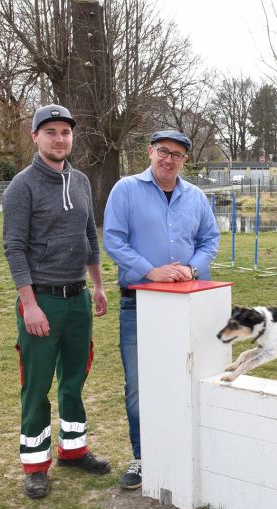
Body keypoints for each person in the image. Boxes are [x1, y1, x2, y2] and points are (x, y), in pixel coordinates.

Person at [2, 104, 111, 499]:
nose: (59, 138)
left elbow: (90, 238)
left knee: (74, 379)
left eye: (65, 131)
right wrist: (29, 304)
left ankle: (74, 449)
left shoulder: (81, 181)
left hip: (77, 297)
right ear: (35, 137)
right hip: (42, 301)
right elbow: (14, 248)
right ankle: (35, 464)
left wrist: (97, 286)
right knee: (36, 385)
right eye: (50, 131)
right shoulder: (22, 186)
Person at [103, 130, 220, 490]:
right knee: (139, 385)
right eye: (163, 151)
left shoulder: (196, 197)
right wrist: (149, 271)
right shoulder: (125, 190)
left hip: (187, 305)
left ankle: (189, 453)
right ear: (151, 151)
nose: (169, 159)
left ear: (185, 160)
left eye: (178, 155)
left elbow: (209, 239)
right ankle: (143, 458)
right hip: (138, 304)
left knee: (188, 376)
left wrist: (193, 268)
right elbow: (113, 238)